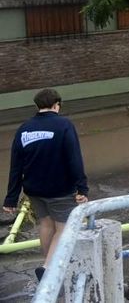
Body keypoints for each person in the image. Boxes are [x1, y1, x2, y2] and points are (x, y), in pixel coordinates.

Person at [3, 89, 89, 282]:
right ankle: (49, 267)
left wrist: (11, 198)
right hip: (59, 189)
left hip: (34, 190)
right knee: (64, 228)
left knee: (46, 224)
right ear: (56, 104)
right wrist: (82, 187)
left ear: (37, 106)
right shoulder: (64, 125)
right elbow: (74, 158)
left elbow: (16, 166)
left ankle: (48, 263)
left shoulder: (24, 129)